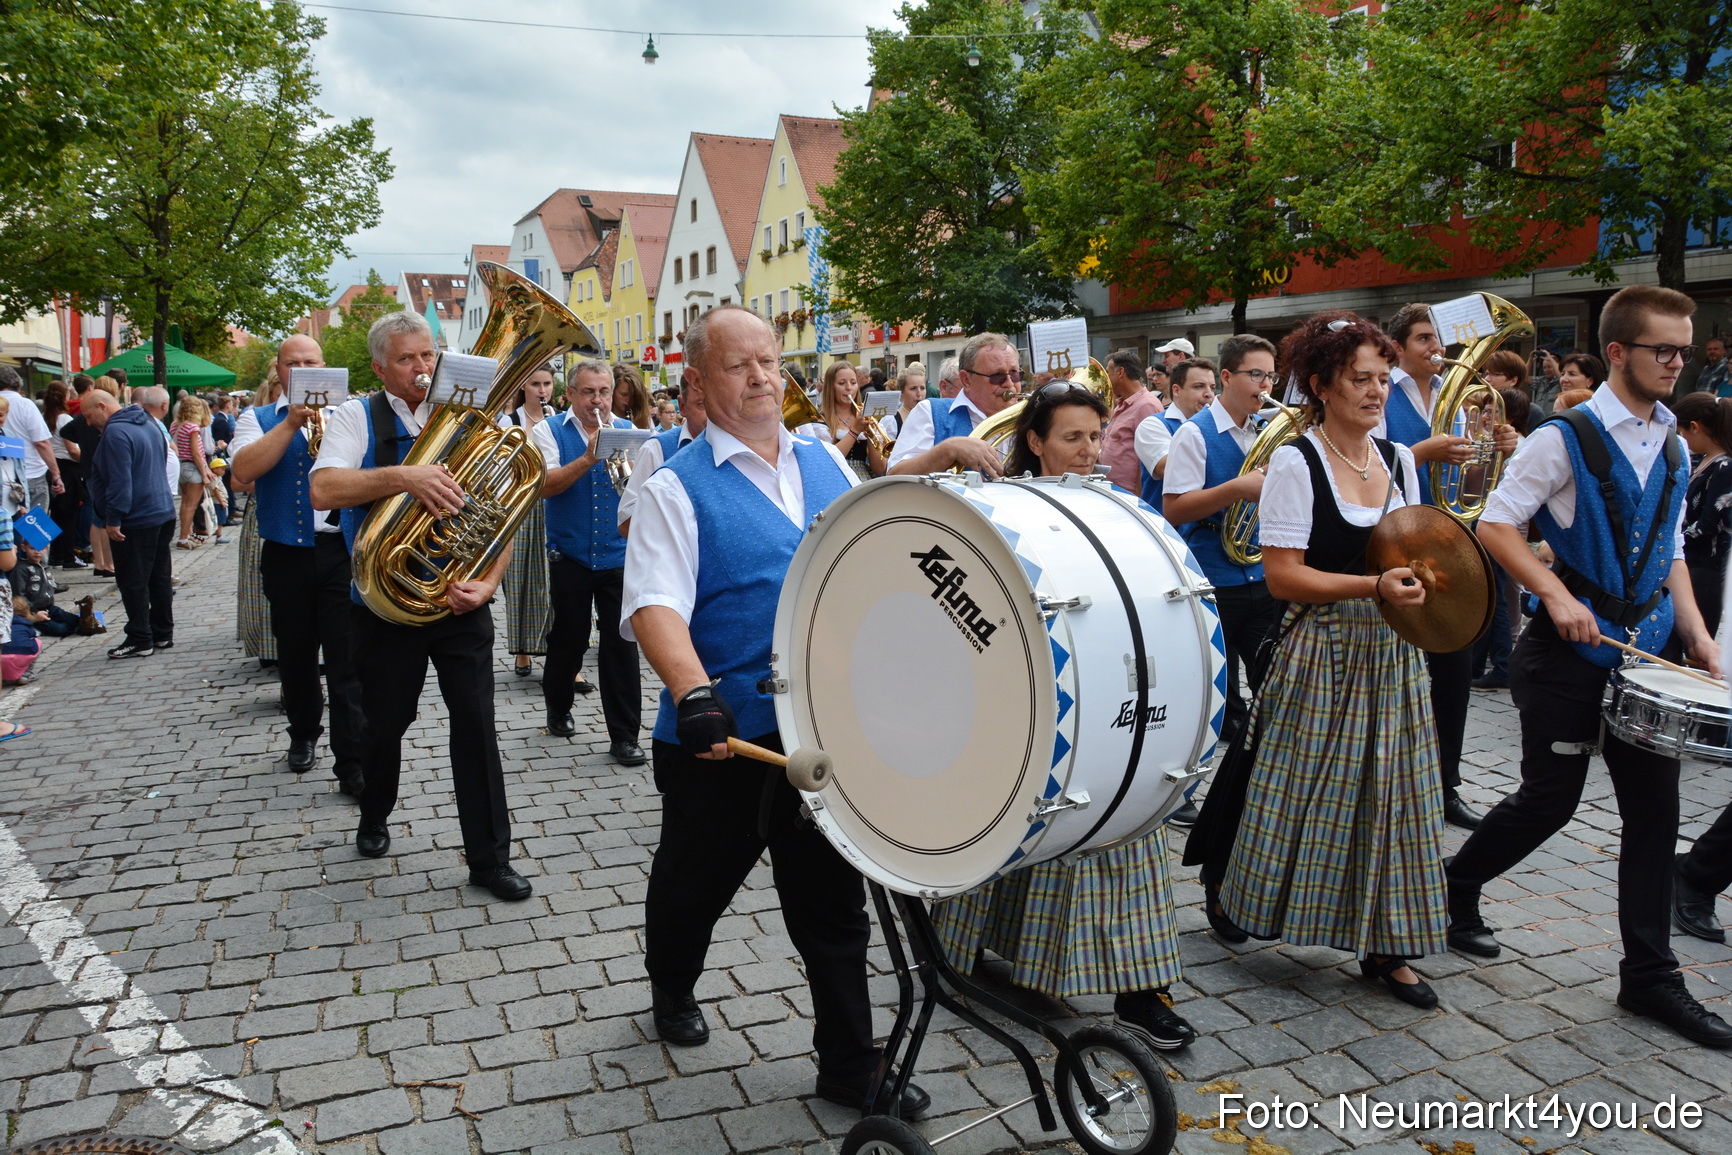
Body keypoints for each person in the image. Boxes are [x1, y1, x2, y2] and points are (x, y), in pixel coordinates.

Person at [624, 305, 927, 1117]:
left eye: (770, 361)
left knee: (831, 903)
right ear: (696, 382)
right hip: (719, 737)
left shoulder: (825, 457)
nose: (763, 376)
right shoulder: (674, 488)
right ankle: (671, 985)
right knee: (693, 887)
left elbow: (869, 545)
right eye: (739, 365)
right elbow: (655, 606)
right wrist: (694, 695)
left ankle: (849, 1065)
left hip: (820, 732)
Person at [1445, 285, 1732, 1048]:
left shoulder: (1675, 440)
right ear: (1618, 352)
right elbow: (1498, 524)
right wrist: (1552, 595)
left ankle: (1649, 977)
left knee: (1655, 812)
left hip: (1644, 656)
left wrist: (1700, 634)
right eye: (1663, 349)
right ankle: (1457, 882)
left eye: (1683, 346)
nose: (1679, 360)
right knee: (1551, 801)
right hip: (1563, 656)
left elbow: (1669, 548)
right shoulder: (1561, 436)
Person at [937, 381, 1199, 1049]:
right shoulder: (1000, 513)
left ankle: (1143, 992)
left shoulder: (1116, 508)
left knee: (1122, 827)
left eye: (1094, 436)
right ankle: (969, 949)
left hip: (1106, 692)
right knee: (1016, 824)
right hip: (1028, 693)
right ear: (1035, 442)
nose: (1088, 451)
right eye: (1071, 438)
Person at [1216, 312, 1443, 1006]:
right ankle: (1241, 896)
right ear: (1321, 384)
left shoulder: (1400, 459)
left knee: (1397, 794)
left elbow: (1412, 553)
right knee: (1296, 784)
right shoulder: (1297, 460)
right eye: (1360, 380)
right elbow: (1283, 576)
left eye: (1382, 378)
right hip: (1324, 649)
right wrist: (1371, 585)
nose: (1376, 392)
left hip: (1393, 649)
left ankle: (1388, 943)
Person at [309, 311, 530, 902]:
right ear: (380, 366)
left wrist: (488, 583)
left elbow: (502, 510)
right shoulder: (356, 415)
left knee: (477, 728)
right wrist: (406, 477)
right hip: (384, 607)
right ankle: (374, 813)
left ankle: (489, 859)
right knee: (385, 724)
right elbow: (323, 488)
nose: (422, 368)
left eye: (428, 355)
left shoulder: (471, 415)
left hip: (458, 603)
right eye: (407, 359)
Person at [1378, 303, 1520, 830]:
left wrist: (1497, 451)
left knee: (1454, 670)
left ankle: (1446, 783)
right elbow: (1365, 468)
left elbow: (1472, 485)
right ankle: (1392, 783)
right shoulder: (1382, 391)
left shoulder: (1453, 396)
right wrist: (1423, 450)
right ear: (1398, 347)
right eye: (1422, 339)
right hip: (1395, 543)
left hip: (1447, 542)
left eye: (1438, 339)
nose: (1435, 349)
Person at [229, 335, 363, 794]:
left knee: (347, 661)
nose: (302, 369)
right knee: (296, 655)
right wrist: (289, 423)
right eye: (293, 364)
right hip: (286, 551)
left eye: (311, 362)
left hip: (339, 551)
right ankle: (303, 733)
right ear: (279, 371)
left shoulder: (351, 414)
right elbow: (243, 472)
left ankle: (352, 759)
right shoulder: (259, 417)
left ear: (325, 367)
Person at [1163, 335, 1284, 751]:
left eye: (1270, 375)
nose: (1265, 385)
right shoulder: (1193, 435)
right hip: (1213, 577)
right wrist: (1237, 488)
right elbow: (1175, 509)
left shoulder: (1266, 429)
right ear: (1228, 376)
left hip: (1261, 573)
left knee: (1275, 680)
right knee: (1214, 689)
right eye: (1256, 374)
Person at [530, 360, 645, 765]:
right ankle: (558, 707)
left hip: (618, 556)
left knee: (621, 646)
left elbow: (643, 493)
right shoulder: (548, 431)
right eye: (588, 392)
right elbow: (545, 486)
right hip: (570, 555)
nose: (597, 401)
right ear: (571, 395)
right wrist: (588, 457)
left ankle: (625, 736)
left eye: (604, 392)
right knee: (569, 639)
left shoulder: (631, 433)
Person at [83, 387, 175, 659]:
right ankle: (161, 633)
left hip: (136, 517)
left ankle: (140, 637)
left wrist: (113, 517)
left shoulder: (116, 432)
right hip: (161, 510)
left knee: (133, 580)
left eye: (88, 415)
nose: (88, 423)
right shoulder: (150, 423)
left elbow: (120, 481)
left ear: (102, 406)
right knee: (158, 576)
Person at [886, 333, 1022, 477]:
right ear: (966, 379)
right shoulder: (930, 412)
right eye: (997, 375)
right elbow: (895, 477)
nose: (1009, 383)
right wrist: (949, 450)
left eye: (1014, 373)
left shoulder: (1030, 417)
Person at [1470, 386, 1534, 690]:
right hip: (1489, 521)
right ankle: (1480, 661)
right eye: (1483, 410)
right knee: (1492, 592)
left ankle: (1504, 665)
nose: (1485, 416)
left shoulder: (1517, 447)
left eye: (1490, 411)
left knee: (1499, 594)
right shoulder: (1490, 442)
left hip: (1500, 525)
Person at [503, 365, 557, 680]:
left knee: (553, 582)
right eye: (535, 383)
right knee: (520, 578)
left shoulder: (560, 419)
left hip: (553, 503)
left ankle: (563, 660)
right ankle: (523, 650)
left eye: (547, 383)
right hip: (520, 505)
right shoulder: (509, 421)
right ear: (524, 386)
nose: (542, 390)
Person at [1673, 392, 1732, 635]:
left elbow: (1708, 523)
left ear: (1694, 428)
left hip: (1704, 565)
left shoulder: (1725, 466)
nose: (1681, 438)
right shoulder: (1705, 461)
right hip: (1690, 561)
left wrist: (1668, 540)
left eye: (1682, 432)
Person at [619, 375, 706, 539]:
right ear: (682, 406)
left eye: (718, 403)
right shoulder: (656, 448)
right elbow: (626, 524)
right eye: (701, 404)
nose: (713, 414)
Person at [1134, 357, 1215, 510]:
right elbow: (1169, 469)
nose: (1209, 394)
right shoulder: (1152, 425)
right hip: (1166, 527)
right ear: (1176, 390)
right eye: (1199, 387)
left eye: (1212, 387)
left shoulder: (1216, 425)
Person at [798, 360, 881, 481]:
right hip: (834, 480)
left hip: (863, 481)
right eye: (842, 383)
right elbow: (828, 462)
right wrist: (854, 431)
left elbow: (879, 468)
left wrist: (872, 435)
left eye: (853, 383)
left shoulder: (864, 416)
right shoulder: (820, 421)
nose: (849, 388)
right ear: (831, 387)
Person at [0, 365, 64, 513]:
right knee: (34, 529)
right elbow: (41, 442)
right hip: (31, 474)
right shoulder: (25, 404)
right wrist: (55, 474)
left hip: (6, 477)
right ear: (17, 383)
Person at [1100, 349, 1164, 492]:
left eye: (1108, 373)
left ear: (1120, 372)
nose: (1106, 378)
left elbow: (1147, 458)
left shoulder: (1147, 405)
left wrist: (1138, 500)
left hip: (1129, 496)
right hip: (1115, 491)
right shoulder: (1123, 404)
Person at [171, 395, 222, 548]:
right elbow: (197, 453)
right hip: (193, 468)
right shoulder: (193, 427)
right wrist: (205, 473)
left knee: (185, 504)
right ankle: (183, 538)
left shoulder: (175, 425)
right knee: (191, 505)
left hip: (181, 467)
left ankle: (186, 534)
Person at [42, 382, 84, 568]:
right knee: (69, 515)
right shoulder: (64, 419)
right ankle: (67, 555)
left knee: (55, 514)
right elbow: (73, 450)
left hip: (50, 466)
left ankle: (55, 554)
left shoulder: (44, 417)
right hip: (67, 468)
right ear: (65, 396)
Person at [881, 365, 927, 441]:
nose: (919, 394)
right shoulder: (892, 421)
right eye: (913, 388)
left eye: (922, 388)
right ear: (901, 392)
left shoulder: (929, 416)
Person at [612, 363, 654, 430]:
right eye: (624, 394)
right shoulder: (603, 417)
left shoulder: (644, 417)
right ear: (612, 390)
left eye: (633, 395)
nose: (629, 399)